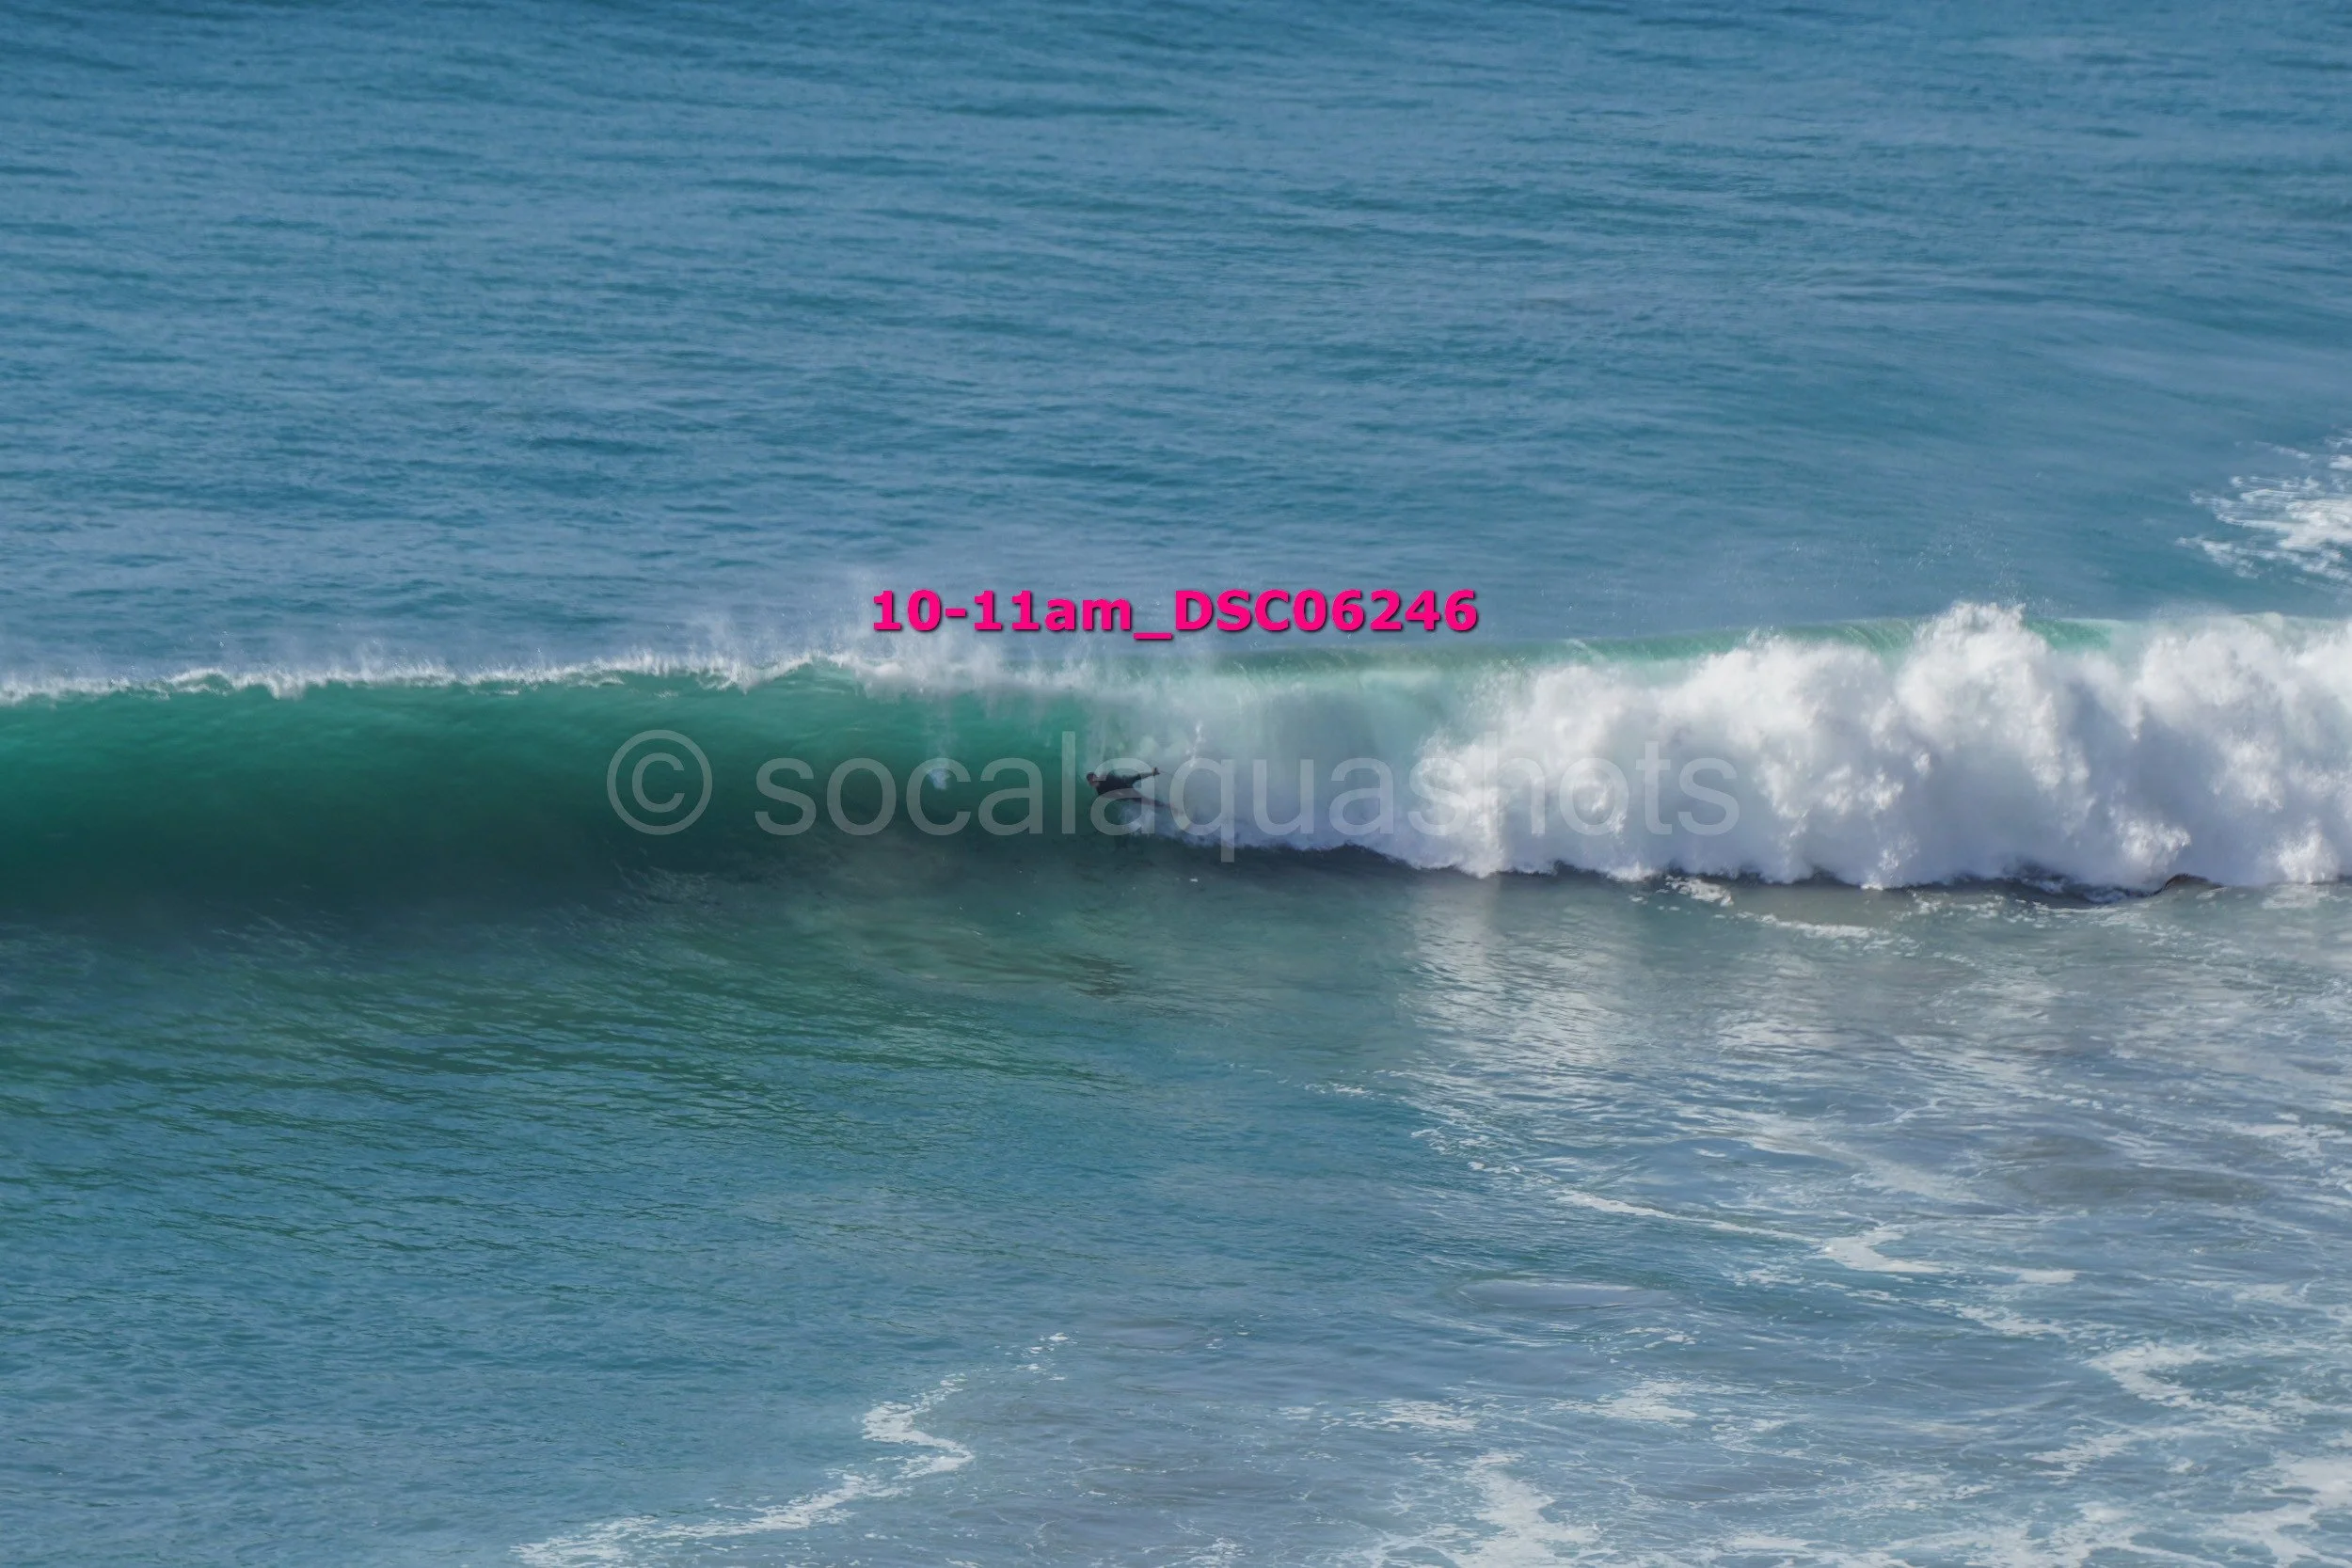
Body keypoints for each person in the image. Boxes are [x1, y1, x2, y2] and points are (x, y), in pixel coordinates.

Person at [1086, 765, 1159, 800]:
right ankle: (1165, 805)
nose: (1093, 781)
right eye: (1092, 782)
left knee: (1137, 776)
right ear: (1091, 784)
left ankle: (1153, 773)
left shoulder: (1104, 776)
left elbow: (1112, 776)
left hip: (1125, 780)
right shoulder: (1100, 793)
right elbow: (1115, 796)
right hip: (1125, 790)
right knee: (1143, 799)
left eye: (1094, 778)